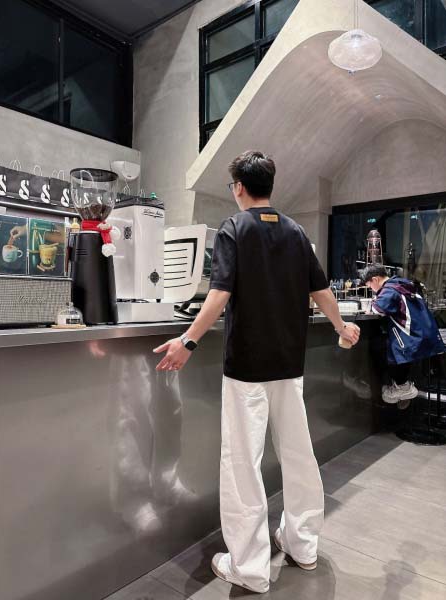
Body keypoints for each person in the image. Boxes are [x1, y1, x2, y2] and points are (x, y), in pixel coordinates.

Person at [154, 150, 360, 594]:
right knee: (299, 456)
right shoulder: (297, 232)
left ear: (239, 188)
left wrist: (187, 341)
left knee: (243, 464)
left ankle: (248, 566)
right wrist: (342, 327)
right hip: (289, 367)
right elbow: (322, 290)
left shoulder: (234, 228)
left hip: (247, 369)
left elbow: (219, 295)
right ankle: (303, 544)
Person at [361, 264, 445, 407]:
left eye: (369, 286)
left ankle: (401, 387)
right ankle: (400, 388)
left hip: (411, 339)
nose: (371, 289)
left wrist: (373, 301)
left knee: (379, 348)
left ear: (375, 279)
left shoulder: (389, 290)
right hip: (424, 336)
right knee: (389, 346)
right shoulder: (403, 285)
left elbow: (377, 309)